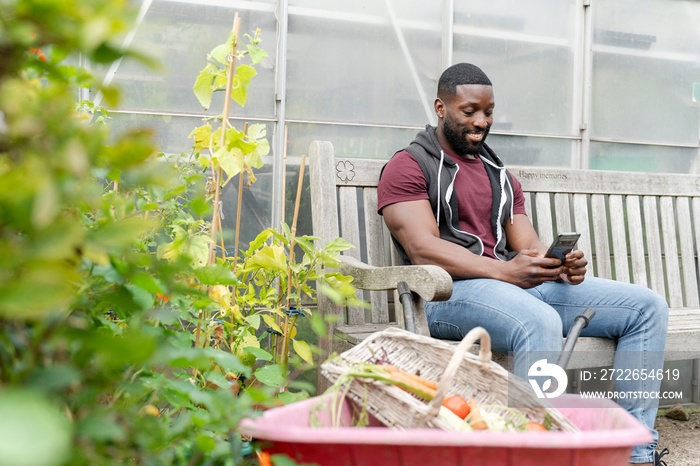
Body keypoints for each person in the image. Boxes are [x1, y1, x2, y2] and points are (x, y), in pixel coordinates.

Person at [377, 63, 669, 466]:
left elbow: (526, 246)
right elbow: (423, 248)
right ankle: (535, 456)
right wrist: (503, 270)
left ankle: (637, 454)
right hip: (444, 293)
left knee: (646, 308)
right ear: (441, 108)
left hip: (505, 288)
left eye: (489, 111)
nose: (481, 121)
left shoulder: (500, 175)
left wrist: (558, 264)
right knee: (539, 320)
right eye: (470, 111)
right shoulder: (409, 165)